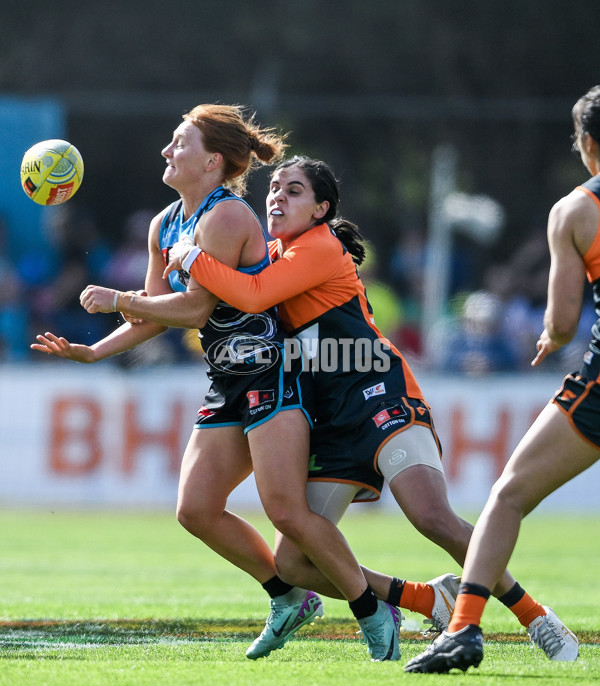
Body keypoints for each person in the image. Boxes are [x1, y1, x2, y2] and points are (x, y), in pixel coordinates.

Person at [31, 104, 434, 663]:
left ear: (213, 161)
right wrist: (93, 351)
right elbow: (151, 316)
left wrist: (117, 298)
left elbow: (196, 307)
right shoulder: (162, 224)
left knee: (288, 513)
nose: (167, 151)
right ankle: (288, 597)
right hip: (226, 380)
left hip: (273, 377)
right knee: (195, 509)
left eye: (180, 143)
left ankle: (372, 608)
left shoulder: (226, 216)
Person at [161, 155, 566, 660]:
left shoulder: (319, 245)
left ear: (320, 210)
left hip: (380, 394)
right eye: (274, 189)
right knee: (294, 566)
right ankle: (420, 597)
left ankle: (536, 617)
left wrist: (190, 256)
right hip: (329, 419)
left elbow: (252, 293)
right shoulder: (269, 252)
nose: (276, 197)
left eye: (293, 191)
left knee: (432, 516)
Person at [403, 86, 600, 674]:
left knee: (508, 497)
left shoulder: (576, 210)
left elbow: (563, 324)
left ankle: (462, 628)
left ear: (588, 144)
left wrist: (548, 337)